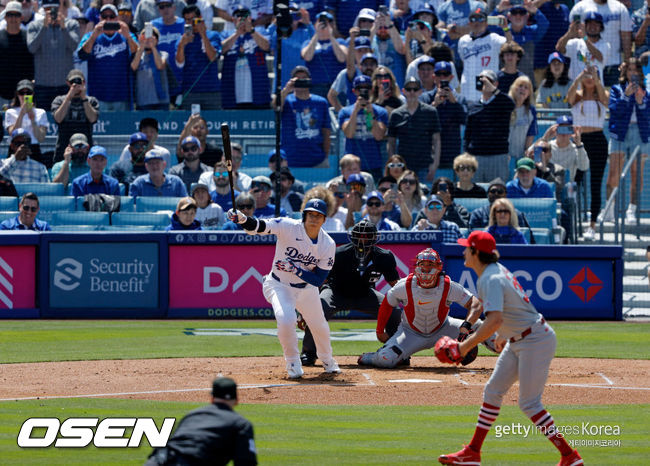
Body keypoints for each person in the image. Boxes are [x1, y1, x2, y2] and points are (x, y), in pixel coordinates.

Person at [437, 230, 583, 466]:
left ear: (475, 252)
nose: (463, 250)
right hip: (520, 337)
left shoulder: (491, 278)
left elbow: (494, 320)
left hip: (535, 340)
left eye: (467, 247)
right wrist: (503, 335)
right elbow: (503, 310)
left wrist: (463, 348)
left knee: (529, 403)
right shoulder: (491, 273)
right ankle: (473, 452)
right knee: (493, 391)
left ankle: (570, 457)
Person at [226, 198, 341, 379]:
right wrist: (242, 219)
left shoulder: (328, 244)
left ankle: (328, 360)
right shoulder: (287, 226)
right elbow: (260, 226)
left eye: (318, 216)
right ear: (304, 215)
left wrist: (295, 270)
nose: (314, 218)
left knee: (320, 326)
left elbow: (318, 279)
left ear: (324, 220)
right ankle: (293, 361)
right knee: (286, 319)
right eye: (311, 214)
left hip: (307, 289)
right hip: (279, 285)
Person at [358, 247, 497, 368]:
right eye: (422, 264)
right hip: (410, 333)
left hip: (443, 328)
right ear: (416, 266)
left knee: (484, 329)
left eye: (430, 264)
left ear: (438, 267)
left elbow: (475, 304)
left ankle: (512, 352)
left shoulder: (448, 285)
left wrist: (466, 327)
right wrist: (379, 330)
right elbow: (387, 304)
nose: (425, 269)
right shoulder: (404, 285)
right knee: (385, 360)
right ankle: (370, 357)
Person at [301, 219, 401, 366]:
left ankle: (397, 353)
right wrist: (305, 309)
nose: (363, 240)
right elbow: (318, 281)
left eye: (367, 236)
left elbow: (396, 285)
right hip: (336, 292)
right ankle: (308, 353)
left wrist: (411, 302)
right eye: (359, 236)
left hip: (366, 294)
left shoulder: (384, 257)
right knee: (319, 309)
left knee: (394, 311)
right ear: (353, 236)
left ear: (374, 238)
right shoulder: (339, 253)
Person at [145, 377, 257, 466]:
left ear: (212, 398)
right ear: (237, 400)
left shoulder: (192, 415)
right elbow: (246, 462)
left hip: (157, 461)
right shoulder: (241, 424)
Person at [567, 65, 609, 240]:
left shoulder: (602, 97)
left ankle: (592, 225)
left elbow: (605, 100)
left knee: (595, 183)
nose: (589, 78)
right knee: (575, 182)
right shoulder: (577, 98)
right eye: (587, 76)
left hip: (598, 140)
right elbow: (568, 97)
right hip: (580, 140)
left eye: (593, 75)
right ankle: (571, 221)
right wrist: (579, 77)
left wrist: (596, 78)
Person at [607, 57, 649, 224]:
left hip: (640, 133)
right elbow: (615, 111)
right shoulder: (617, 89)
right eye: (630, 70)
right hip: (620, 134)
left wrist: (640, 103)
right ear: (625, 72)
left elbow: (647, 116)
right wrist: (626, 96)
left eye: (636, 70)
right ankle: (609, 209)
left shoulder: (646, 91)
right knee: (614, 173)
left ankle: (632, 210)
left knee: (636, 174)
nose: (633, 73)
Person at [77, 4, 138, 111]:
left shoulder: (126, 35)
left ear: (117, 18)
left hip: (122, 95)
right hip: (97, 96)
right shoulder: (91, 35)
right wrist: (94, 35)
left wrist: (127, 36)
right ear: (99, 18)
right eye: (105, 17)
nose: (108, 19)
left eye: (112, 16)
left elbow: (137, 54)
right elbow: (82, 55)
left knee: (122, 127)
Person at [26, 0, 81, 110]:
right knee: (43, 121)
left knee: (65, 121)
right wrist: (44, 27)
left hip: (65, 86)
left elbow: (73, 46)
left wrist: (63, 28)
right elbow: (32, 48)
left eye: (54, 9)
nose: (51, 12)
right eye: (47, 9)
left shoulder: (72, 24)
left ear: (60, 8)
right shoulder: (34, 26)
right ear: (43, 10)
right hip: (42, 86)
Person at [464, 69, 515, 182]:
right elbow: (468, 134)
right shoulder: (473, 106)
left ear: (496, 83)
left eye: (489, 80)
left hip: (497, 156)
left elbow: (511, 104)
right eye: (482, 80)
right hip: (476, 157)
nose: (485, 83)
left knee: (498, 191)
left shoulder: (501, 102)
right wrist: (466, 153)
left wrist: (493, 89)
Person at [387, 76, 440, 181]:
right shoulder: (396, 114)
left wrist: (434, 165)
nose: (412, 92)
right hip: (403, 168)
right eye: (408, 89)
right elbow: (391, 142)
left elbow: (437, 140)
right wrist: (394, 165)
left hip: (424, 166)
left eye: (415, 89)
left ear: (420, 91)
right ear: (403, 91)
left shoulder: (430, 112)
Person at [569, 0, 632, 87]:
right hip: (587, 66)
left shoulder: (620, 8)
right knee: (588, 98)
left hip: (614, 67)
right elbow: (573, 33)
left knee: (612, 98)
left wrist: (627, 62)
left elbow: (626, 37)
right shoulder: (579, 8)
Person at [279, 65, 331, 168]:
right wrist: (286, 89)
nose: (301, 81)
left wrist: (325, 156)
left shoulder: (321, 102)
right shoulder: (287, 100)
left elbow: (326, 131)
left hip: (317, 160)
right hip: (290, 160)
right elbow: (275, 107)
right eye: (298, 79)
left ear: (310, 80)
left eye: (304, 78)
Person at [221, 4, 271, 110]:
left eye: (245, 16)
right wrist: (237, 34)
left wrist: (251, 30)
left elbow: (266, 46)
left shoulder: (260, 31)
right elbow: (221, 49)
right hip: (233, 93)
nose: (241, 19)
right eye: (238, 16)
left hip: (257, 92)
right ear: (233, 20)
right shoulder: (226, 34)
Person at [420, 60, 467, 172]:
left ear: (451, 77)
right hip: (430, 152)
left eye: (445, 74)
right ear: (434, 77)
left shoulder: (459, 99)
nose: (442, 78)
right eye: (438, 74)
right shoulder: (425, 98)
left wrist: (454, 102)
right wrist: (434, 104)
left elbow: (466, 120)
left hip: (451, 151)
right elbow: (420, 120)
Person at [338, 75, 388, 178]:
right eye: (359, 88)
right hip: (351, 165)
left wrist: (370, 113)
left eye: (366, 88)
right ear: (354, 91)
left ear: (372, 90)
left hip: (373, 164)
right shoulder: (345, 112)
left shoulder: (380, 112)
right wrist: (355, 111)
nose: (363, 91)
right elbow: (349, 134)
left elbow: (379, 135)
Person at [175, 5, 221, 110]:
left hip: (211, 90)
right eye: (187, 20)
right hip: (190, 91)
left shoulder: (213, 35)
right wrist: (182, 45)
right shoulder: (181, 40)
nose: (190, 23)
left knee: (214, 123)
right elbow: (179, 63)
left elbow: (213, 58)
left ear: (200, 18)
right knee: (191, 125)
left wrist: (203, 34)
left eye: (193, 20)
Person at [457, 5, 507, 103]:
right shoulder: (463, 40)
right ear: (469, 23)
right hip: (468, 90)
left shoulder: (494, 38)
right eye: (473, 19)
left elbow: (511, 46)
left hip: (488, 89)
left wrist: (506, 29)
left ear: (486, 23)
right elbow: (463, 61)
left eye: (480, 19)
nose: (477, 22)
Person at [51, 69, 100, 163]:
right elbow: (58, 118)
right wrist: (69, 97)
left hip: (85, 149)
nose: (76, 85)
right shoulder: (59, 100)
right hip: (63, 148)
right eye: (72, 82)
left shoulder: (92, 101)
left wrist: (84, 98)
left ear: (84, 82)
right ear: (68, 83)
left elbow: (93, 118)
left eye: (79, 82)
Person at [494, 2, 549, 81]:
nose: (518, 16)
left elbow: (545, 24)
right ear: (509, 16)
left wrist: (536, 11)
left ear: (527, 16)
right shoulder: (501, 31)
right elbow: (487, 24)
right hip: (504, 80)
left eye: (522, 13)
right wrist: (497, 10)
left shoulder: (532, 32)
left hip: (526, 81)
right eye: (514, 13)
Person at [267, 3, 315, 89]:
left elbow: (317, 41)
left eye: (295, 14)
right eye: (289, 14)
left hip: (301, 80)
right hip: (282, 82)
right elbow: (266, 42)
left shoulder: (305, 33)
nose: (292, 18)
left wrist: (308, 23)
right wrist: (275, 22)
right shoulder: (277, 33)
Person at [301, 11, 347, 98]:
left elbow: (342, 58)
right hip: (315, 86)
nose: (325, 25)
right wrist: (317, 34)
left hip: (336, 87)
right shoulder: (308, 43)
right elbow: (307, 56)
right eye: (321, 22)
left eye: (328, 22)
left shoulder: (340, 42)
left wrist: (331, 36)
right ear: (315, 24)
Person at [556, 11, 610, 83]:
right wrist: (569, 34)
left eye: (596, 24)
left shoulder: (605, 45)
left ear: (601, 27)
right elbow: (559, 48)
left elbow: (600, 57)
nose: (592, 26)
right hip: (576, 90)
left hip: (595, 90)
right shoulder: (576, 43)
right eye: (590, 23)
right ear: (585, 26)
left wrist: (585, 38)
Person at [4, 79, 48, 166]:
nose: (25, 96)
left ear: (32, 94)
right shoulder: (10, 112)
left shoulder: (41, 112)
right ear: (17, 94)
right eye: (21, 93)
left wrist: (33, 120)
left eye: (28, 93)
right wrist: (21, 114)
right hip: (16, 147)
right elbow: (12, 133)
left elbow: (41, 138)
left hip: (33, 148)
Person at [469, 178, 534, 234]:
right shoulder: (478, 214)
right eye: (493, 191)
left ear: (505, 195)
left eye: (500, 192)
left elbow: (525, 236)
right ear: (488, 194)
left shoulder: (517, 214)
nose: (496, 194)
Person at [0, 2, 34, 109]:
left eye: (16, 15)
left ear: (22, 17)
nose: (13, 19)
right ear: (5, 17)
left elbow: (32, 62)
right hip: (2, 93)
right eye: (10, 15)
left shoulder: (28, 37)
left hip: (24, 92)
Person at [151, 0, 185, 102]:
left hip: (181, 76)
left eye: (168, 6)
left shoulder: (183, 24)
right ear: (158, 10)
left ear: (174, 7)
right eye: (162, 7)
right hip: (161, 77)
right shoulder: (153, 25)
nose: (165, 9)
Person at [540, 115, 590, 183]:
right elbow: (529, 154)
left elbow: (584, 167)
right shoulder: (548, 146)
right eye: (561, 129)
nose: (564, 134)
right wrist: (545, 138)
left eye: (567, 130)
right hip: (549, 186)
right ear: (556, 130)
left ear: (572, 132)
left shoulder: (576, 149)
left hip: (568, 187)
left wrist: (579, 144)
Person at [131, 24, 170, 110]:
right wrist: (141, 46)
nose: (148, 40)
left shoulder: (163, 54)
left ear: (157, 40)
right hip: (143, 101)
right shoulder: (138, 56)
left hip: (161, 101)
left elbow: (160, 65)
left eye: (151, 37)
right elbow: (133, 67)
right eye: (145, 37)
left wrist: (153, 46)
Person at [371, 8, 406, 88]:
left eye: (385, 27)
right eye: (380, 27)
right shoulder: (371, 39)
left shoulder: (400, 38)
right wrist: (375, 26)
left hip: (396, 86)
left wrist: (389, 24)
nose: (383, 30)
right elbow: (364, 48)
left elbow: (401, 49)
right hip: (376, 87)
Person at [507, 75, 537, 162]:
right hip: (504, 155)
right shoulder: (505, 106)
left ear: (529, 93)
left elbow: (530, 135)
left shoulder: (531, 110)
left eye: (526, 87)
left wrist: (525, 155)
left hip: (520, 156)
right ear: (514, 88)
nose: (522, 89)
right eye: (520, 86)